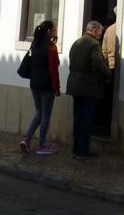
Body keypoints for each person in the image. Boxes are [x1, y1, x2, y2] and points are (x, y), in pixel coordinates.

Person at [67, 20, 112, 159]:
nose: (100, 34)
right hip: (87, 85)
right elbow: (98, 62)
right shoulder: (93, 44)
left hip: (74, 84)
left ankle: (76, 148)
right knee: (86, 118)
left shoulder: (76, 42)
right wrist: (108, 73)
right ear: (93, 31)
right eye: (99, 31)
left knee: (78, 118)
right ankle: (83, 150)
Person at [20, 20, 61, 155]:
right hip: (47, 85)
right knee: (46, 115)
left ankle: (27, 139)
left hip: (34, 83)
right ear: (49, 31)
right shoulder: (51, 47)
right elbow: (53, 68)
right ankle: (42, 145)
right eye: (54, 30)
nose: (55, 31)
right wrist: (56, 87)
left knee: (39, 112)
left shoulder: (35, 44)